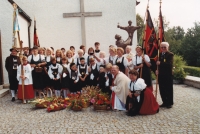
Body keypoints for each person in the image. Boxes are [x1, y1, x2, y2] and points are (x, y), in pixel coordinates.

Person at [156, 42, 174, 108]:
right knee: (162, 89)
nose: (163, 48)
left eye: (164, 47)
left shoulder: (170, 55)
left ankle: (169, 103)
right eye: (162, 47)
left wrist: (160, 63)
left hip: (168, 75)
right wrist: (156, 70)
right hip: (161, 75)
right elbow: (157, 65)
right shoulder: (159, 54)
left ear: (167, 47)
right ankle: (164, 101)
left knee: (168, 89)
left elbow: (169, 64)